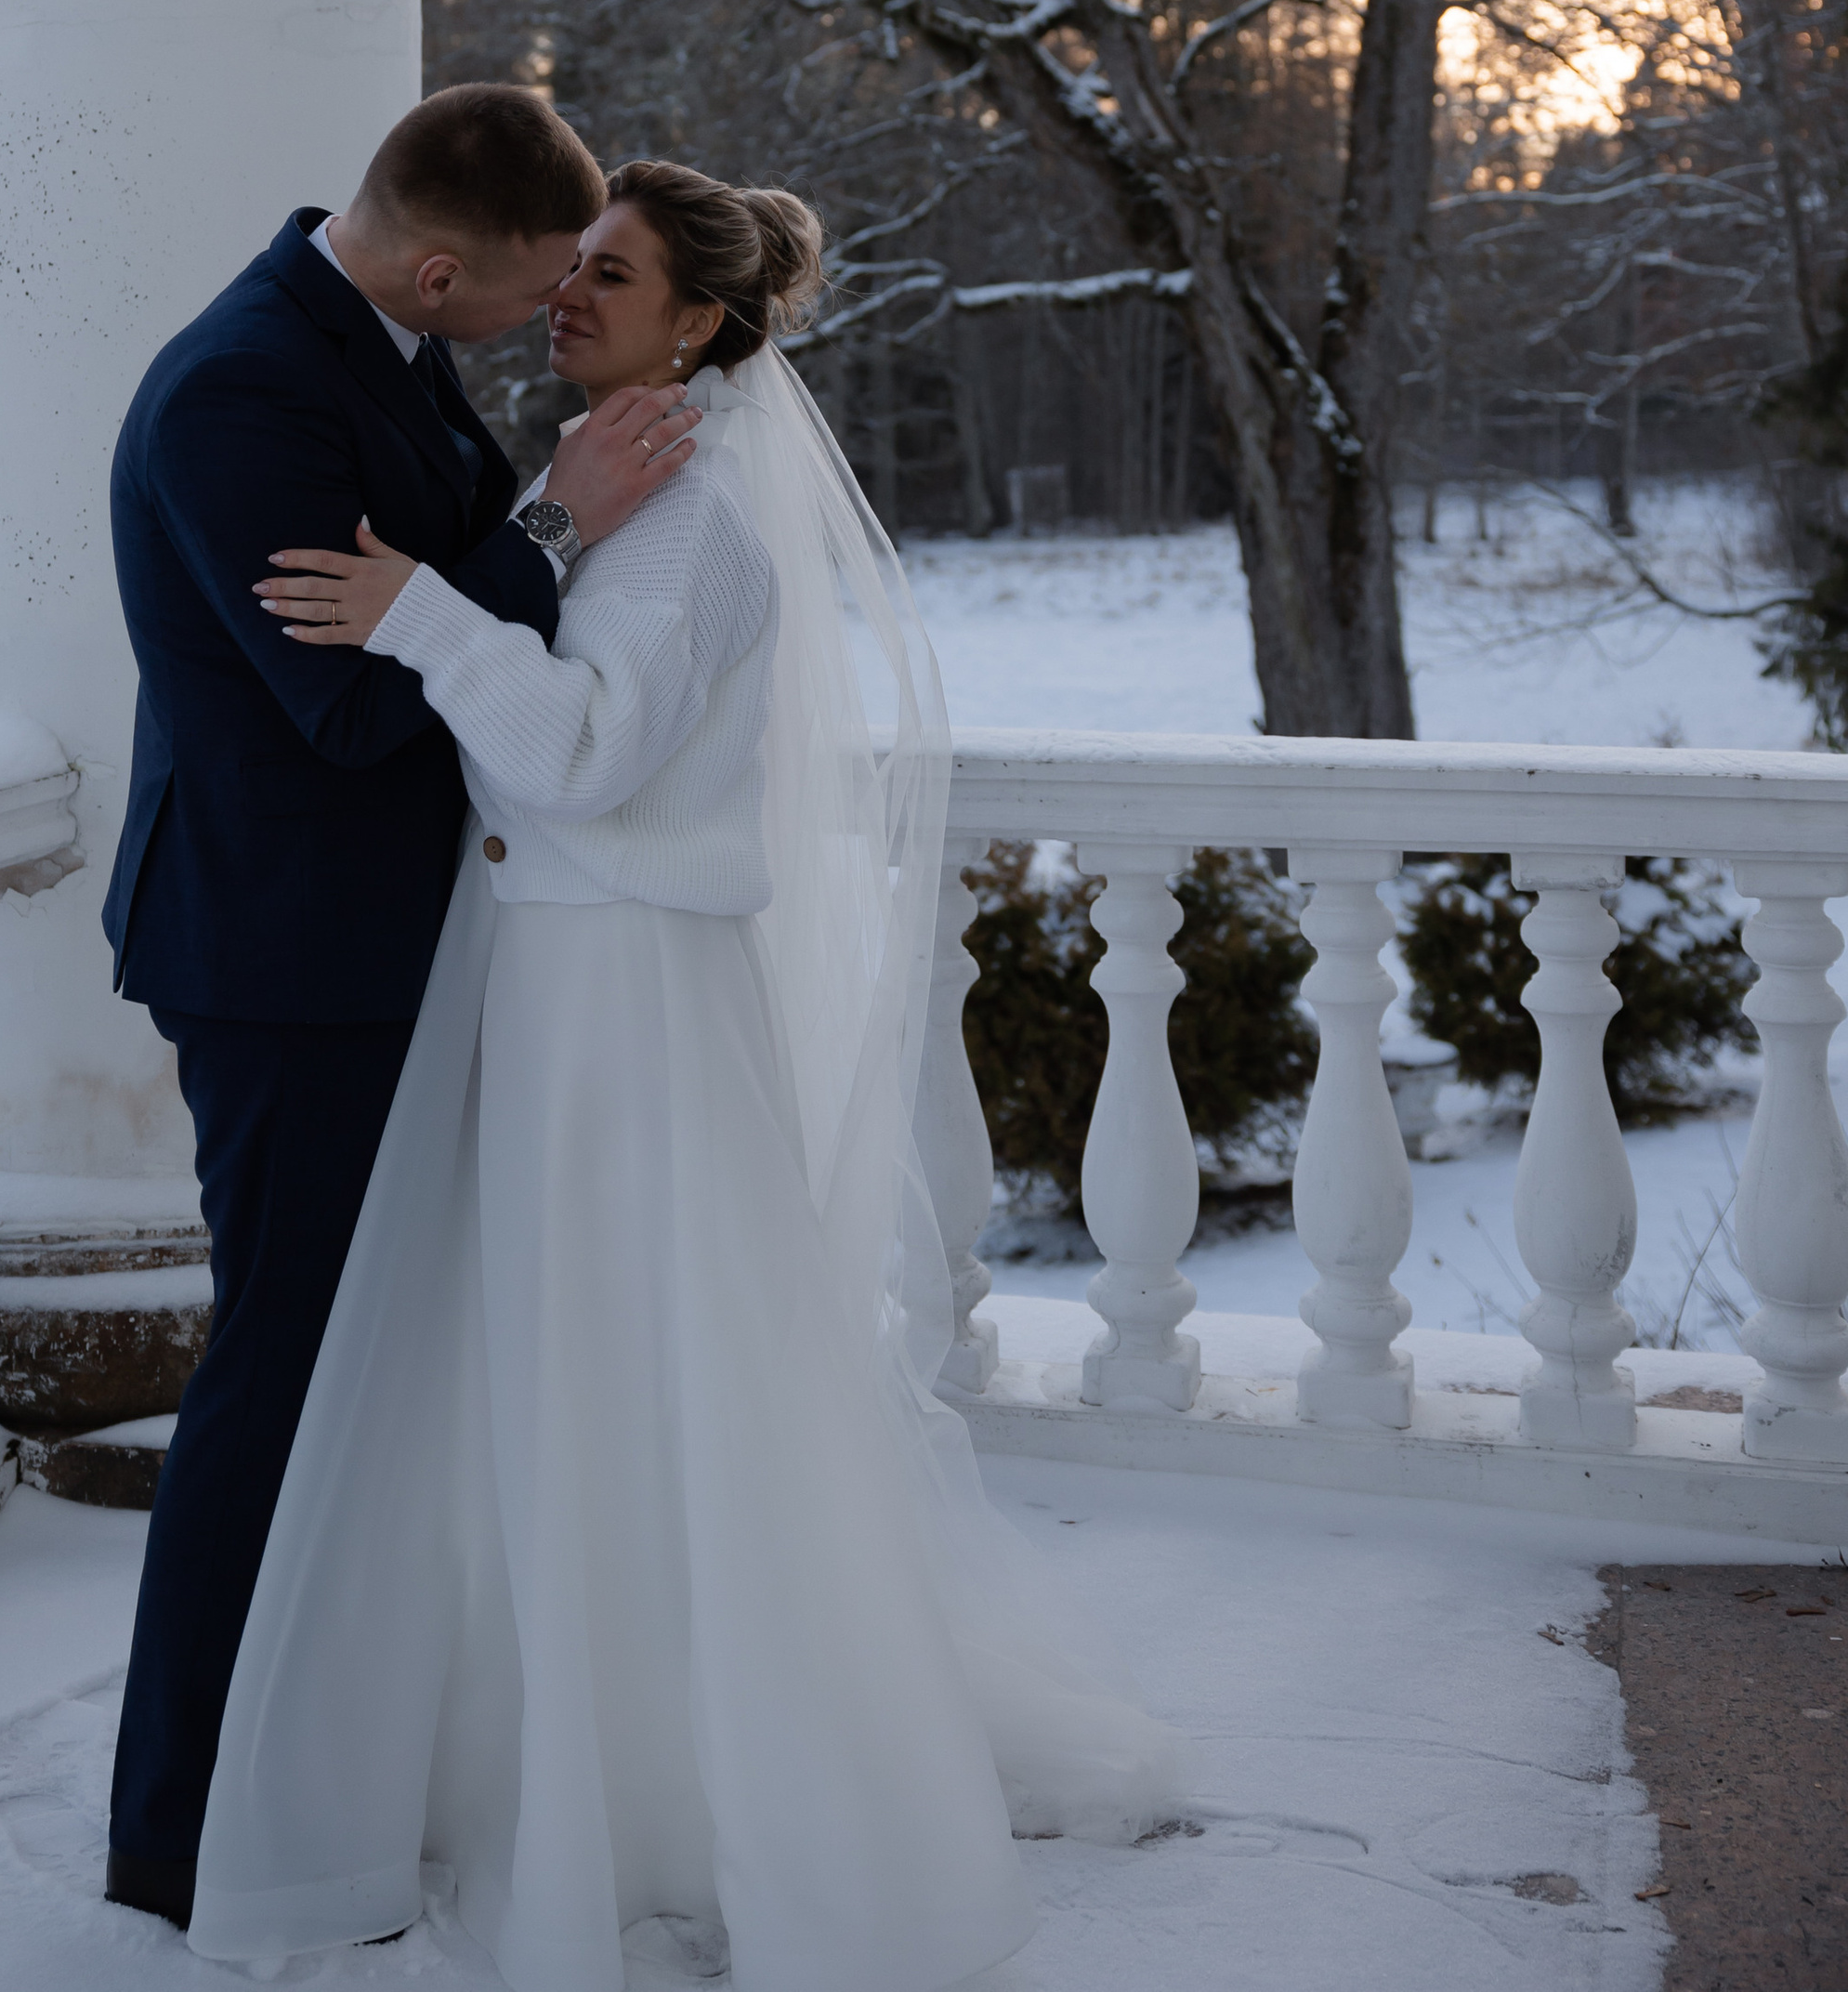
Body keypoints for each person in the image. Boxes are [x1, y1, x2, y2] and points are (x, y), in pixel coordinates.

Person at [193, 159, 1175, 1992]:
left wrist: (413, 609)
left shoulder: (701, 525)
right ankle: (582, 1758)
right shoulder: (630, 492)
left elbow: (579, 755)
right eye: (562, 270)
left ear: (698, 322)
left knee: (647, 1380)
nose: (564, 297)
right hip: (561, 991)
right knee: (570, 1385)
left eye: (608, 277)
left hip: (626, 1009)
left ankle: (694, 1796)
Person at [101, 88, 701, 1930]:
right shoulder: (239, 396)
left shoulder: (366, 327)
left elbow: (411, 591)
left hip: (393, 950)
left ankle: (330, 1770)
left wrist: (479, 557)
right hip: (285, 968)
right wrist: (546, 519)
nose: (544, 315)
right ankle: (181, 1837)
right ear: (437, 263)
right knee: (276, 1383)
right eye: (528, 286)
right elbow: (349, 707)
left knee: (360, 1387)